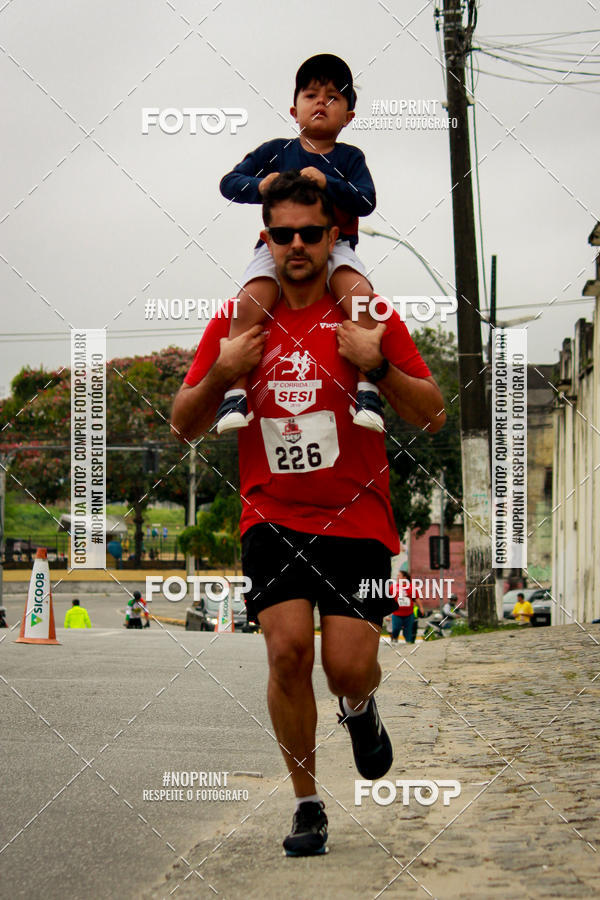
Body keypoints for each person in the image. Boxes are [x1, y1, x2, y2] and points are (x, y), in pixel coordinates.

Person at [171, 172, 446, 857]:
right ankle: (307, 804)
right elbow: (183, 424)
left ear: (334, 239)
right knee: (288, 653)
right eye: (283, 233)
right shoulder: (237, 325)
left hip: (357, 520)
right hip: (273, 515)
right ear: (265, 239)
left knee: (347, 668)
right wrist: (219, 370)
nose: (297, 245)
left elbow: (433, 411)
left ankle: (359, 705)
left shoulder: (366, 319)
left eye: (311, 233)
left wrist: (378, 370)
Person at [216, 53, 386, 435]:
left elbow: (367, 200)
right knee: (247, 302)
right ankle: (235, 394)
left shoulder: (350, 158)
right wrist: (261, 186)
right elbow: (228, 182)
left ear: (348, 117)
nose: (321, 102)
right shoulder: (276, 150)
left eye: (333, 97)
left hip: (337, 244)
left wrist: (330, 185)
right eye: (312, 95)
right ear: (295, 110)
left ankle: (367, 390)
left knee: (360, 295)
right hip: (277, 247)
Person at [390, 571, 414, 643]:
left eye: (399, 575)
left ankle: (408, 643)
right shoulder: (393, 587)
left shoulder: (411, 587)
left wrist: (421, 607)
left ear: (404, 578)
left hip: (409, 614)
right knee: (396, 628)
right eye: (397, 576)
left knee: (408, 630)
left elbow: (416, 598)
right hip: (396, 613)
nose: (397, 577)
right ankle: (394, 639)